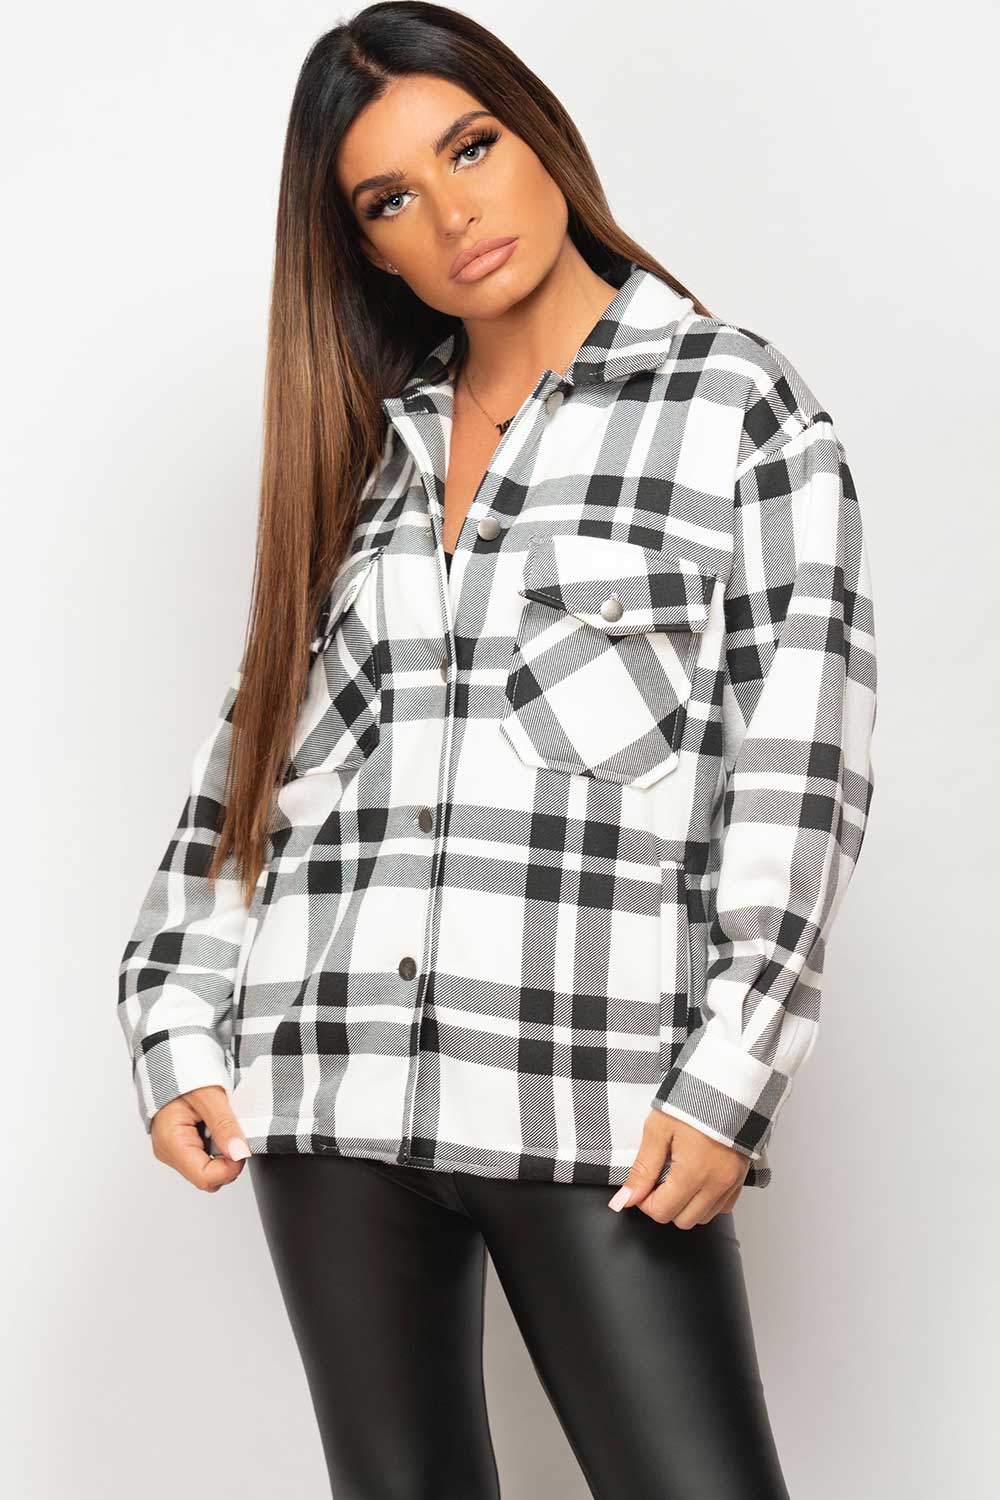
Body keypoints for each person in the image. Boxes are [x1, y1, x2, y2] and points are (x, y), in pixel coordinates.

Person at [116, 4, 878, 1495]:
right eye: (388, 199)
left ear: (538, 136)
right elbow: (260, 755)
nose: (452, 214)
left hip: (598, 1097)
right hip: (331, 1085)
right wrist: (174, 1012)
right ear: (364, 251)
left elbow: (803, 763)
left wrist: (732, 1071)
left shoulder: (735, 408)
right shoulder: (368, 449)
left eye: (470, 148)